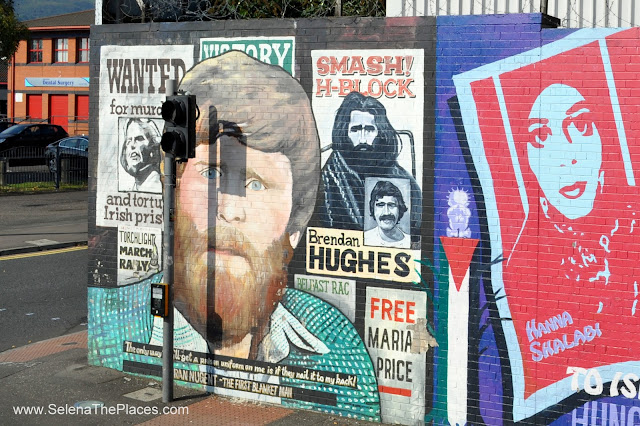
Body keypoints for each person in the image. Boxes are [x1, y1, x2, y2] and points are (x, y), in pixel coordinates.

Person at [90, 51, 380, 421]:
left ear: (295, 227)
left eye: (257, 184)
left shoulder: (334, 342)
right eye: (211, 174)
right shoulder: (113, 319)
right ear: (173, 194)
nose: (230, 209)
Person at [313, 92, 422, 239]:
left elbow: (416, 228)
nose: (362, 139)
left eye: (369, 130)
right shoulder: (329, 179)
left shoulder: (400, 178)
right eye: (355, 129)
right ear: (344, 132)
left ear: (380, 132)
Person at [120, 118, 162, 193]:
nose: (132, 145)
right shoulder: (137, 187)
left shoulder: (156, 186)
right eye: (129, 141)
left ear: (153, 147)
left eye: (139, 139)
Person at [364, 180, 410, 248]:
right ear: (373, 209)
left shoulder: (409, 242)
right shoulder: (365, 238)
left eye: (391, 205)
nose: (386, 212)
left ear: (399, 209)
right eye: (380, 205)